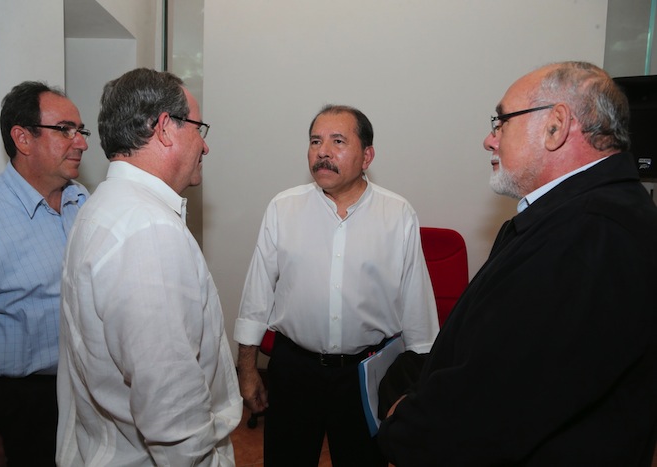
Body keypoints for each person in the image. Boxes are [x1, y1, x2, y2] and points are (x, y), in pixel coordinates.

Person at [378, 61, 657, 466]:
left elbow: (495, 402)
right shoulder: (577, 217)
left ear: (555, 127)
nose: (489, 140)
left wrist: (404, 426)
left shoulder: (589, 234)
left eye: (501, 121)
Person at [56, 68, 243, 467]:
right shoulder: (147, 231)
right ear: (164, 128)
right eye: (198, 128)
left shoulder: (102, 207)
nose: (205, 146)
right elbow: (174, 418)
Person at [235, 104, 439, 467]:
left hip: (366, 375)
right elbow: (256, 296)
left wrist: (414, 388)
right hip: (294, 370)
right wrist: (248, 370)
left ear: (367, 156)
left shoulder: (397, 215)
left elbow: (417, 312)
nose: (323, 152)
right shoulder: (284, 208)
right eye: (315, 141)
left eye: (338, 141)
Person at [0, 81, 90, 466]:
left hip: (83, 394)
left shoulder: (84, 202)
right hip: (15, 407)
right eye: (65, 129)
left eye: (80, 130)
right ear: (23, 138)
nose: (81, 142)